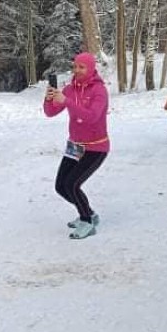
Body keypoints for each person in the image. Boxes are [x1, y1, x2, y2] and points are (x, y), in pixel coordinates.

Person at [43, 52, 109, 240]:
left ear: (91, 68)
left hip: (96, 147)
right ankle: (89, 213)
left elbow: (92, 117)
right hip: (75, 146)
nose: (77, 70)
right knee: (60, 186)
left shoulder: (99, 90)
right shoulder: (70, 89)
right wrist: (49, 99)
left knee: (72, 184)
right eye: (75, 66)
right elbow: (50, 112)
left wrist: (67, 102)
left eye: (82, 67)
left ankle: (87, 221)